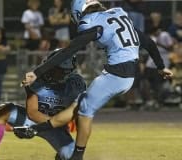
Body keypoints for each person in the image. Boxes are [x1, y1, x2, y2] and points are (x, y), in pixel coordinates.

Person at [16, 0, 173, 160]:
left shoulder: (94, 23)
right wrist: (161, 67)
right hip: (127, 75)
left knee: (85, 110)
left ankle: (77, 156)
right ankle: (35, 129)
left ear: (79, 12)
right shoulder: (116, 17)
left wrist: (37, 72)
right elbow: (149, 43)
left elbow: (70, 50)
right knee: (78, 105)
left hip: (116, 75)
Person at [0, 49, 86, 160]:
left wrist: (66, 124)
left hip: (58, 128)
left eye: (54, 67)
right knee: (3, 110)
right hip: (35, 122)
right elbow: (32, 113)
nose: (49, 69)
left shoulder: (76, 85)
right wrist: (47, 125)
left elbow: (81, 117)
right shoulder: (36, 78)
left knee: (73, 157)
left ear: (65, 72)